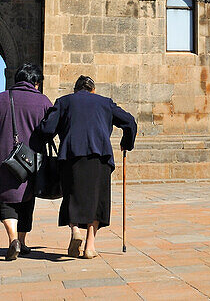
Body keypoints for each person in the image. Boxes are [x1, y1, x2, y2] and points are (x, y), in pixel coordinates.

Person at [34, 75, 136, 259]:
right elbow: (130, 121)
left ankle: (75, 231)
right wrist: (126, 142)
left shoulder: (64, 102)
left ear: (75, 90)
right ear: (93, 90)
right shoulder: (105, 103)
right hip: (100, 156)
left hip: (71, 155)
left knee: (72, 196)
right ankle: (90, 246)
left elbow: (47, 129)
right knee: (97, 200)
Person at [0, 63, 54, 261]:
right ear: (35, 83)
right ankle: (21, 240)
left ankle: (13, 239)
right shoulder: (44, 101)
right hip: (32, 159)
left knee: (7, 197)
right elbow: (52, 127)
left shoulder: (0, 99)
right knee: (27, 197)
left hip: (4, 157)